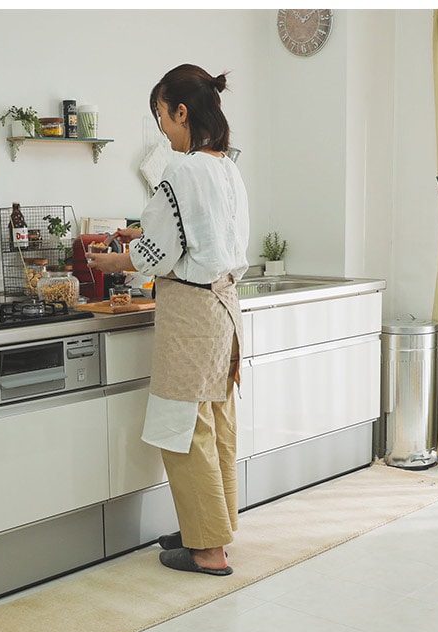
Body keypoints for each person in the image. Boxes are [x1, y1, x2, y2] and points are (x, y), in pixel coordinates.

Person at [87, 63, 249, 576]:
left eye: (161, 116)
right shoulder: (227, 167)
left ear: (181, 112)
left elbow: (157, 256)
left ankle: (207, 550)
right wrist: (144, 238)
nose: (162, 128)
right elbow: (200, 236)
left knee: (184, 428)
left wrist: (117, 260)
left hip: (191, 312)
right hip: (223, 307)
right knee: (216, 422)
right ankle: (214, 528)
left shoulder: (181, 171)